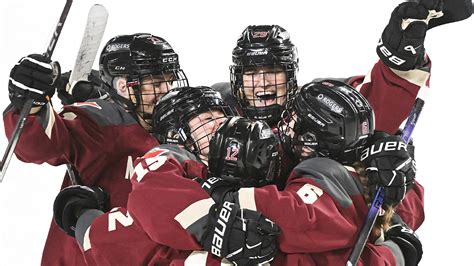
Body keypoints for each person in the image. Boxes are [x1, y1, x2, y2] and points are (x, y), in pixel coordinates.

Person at [4, 33, 188, 265]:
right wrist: (30, 104)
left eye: (169, 81)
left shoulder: (174, 127)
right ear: (124, 85)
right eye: (157, 83)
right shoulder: (102, 121)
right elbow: (40, 146)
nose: (167, 90)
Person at [53, 87, 281, 265]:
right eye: (205, 120)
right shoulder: (166, 162)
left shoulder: (253, 151)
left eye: (220, 116)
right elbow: (104, 242)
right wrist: (82, 214)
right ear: (176, 136)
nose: (218, 124)